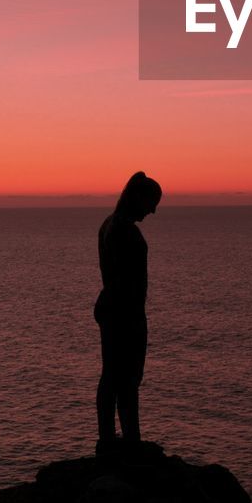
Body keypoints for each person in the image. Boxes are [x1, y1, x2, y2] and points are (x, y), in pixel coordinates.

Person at [94, 171, 162, 454]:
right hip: (125, 312)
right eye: (151, 202)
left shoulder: (109, 224)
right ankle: (128, 441)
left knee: (112, 376)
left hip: (112, 309)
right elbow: (125, 278)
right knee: (127, 378)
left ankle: (110, 439)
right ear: (137, 198)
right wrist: (131, 315)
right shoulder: (125, 230)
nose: (153, 210)